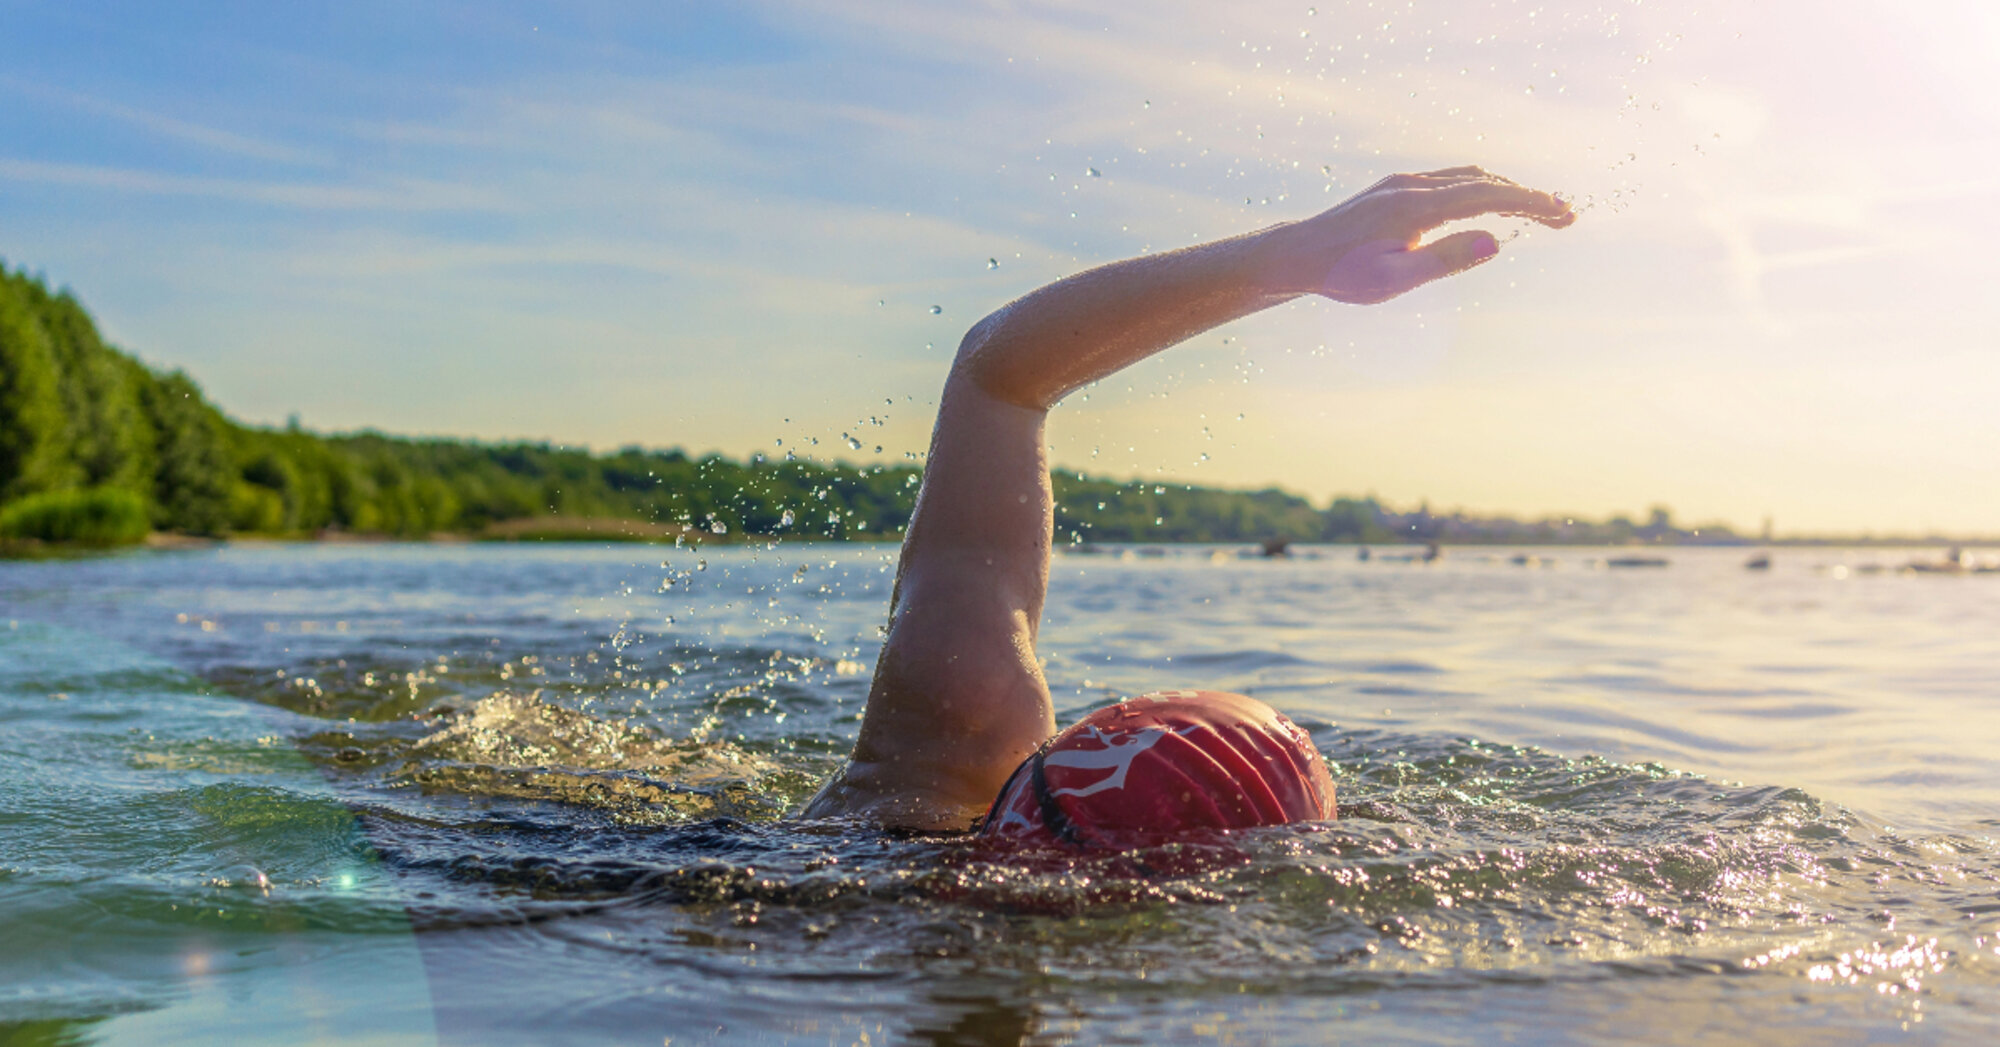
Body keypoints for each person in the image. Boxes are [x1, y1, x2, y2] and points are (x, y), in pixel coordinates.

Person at [803, 167, 1575, 842]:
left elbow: (996, 375)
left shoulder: (928, 774)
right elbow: (997, 380)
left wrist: (1291, 256)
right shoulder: (936, 771)